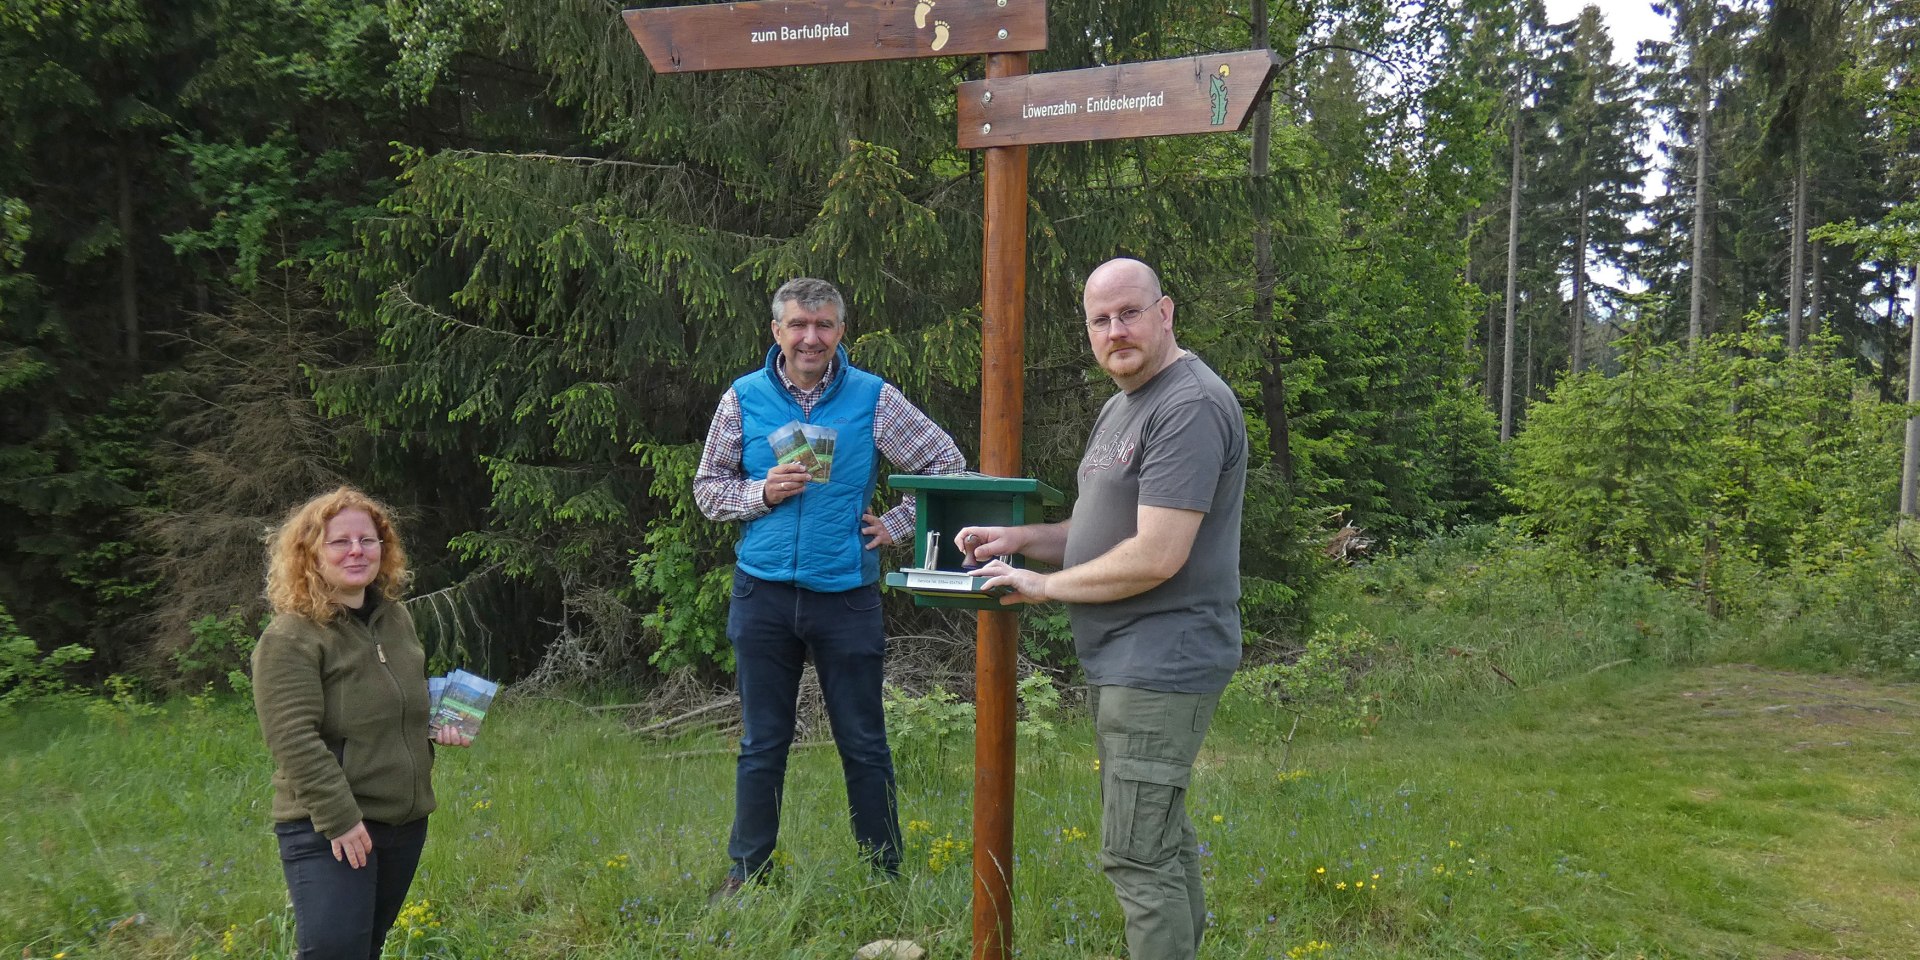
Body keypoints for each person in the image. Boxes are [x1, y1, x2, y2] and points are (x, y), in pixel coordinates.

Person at [960, 258, 1246, 960]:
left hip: (1163, 660)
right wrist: (1026, 541)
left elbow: (1156, 554)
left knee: (1136, 856)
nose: (1115, 330)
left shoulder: (1189, 405)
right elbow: (1103, 532)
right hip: (1129, 660)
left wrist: (1040, 587)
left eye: (1129, 312)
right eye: (1100, 319)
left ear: (1165, 312)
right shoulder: (1126, 404)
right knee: (1161, 841)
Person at [693, 277, 965, 897]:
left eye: (823, 326)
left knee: (864, 741)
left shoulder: (874, 398)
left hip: (847, 594)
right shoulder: (745, 397)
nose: (810, 338)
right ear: (777, 332)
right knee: (762, 742)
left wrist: (894, 526)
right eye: (798, 325)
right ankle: (747, 874)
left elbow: (945, 464)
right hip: (761, 595)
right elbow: (708, 488)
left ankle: (884, 873)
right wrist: (760, 492)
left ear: (841, 331)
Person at [252, 487, 469, 959]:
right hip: (330, 826)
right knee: (334, 952)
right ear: (310, 553)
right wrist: (342, 820)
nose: (357, 550)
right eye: (339, 541)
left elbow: (395, 703)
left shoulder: (396, 619)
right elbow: (292, 738)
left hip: (403, 821)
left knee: (365, 948)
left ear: (383, 549)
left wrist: (439, 724)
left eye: (368, 540)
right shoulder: (291, 636)